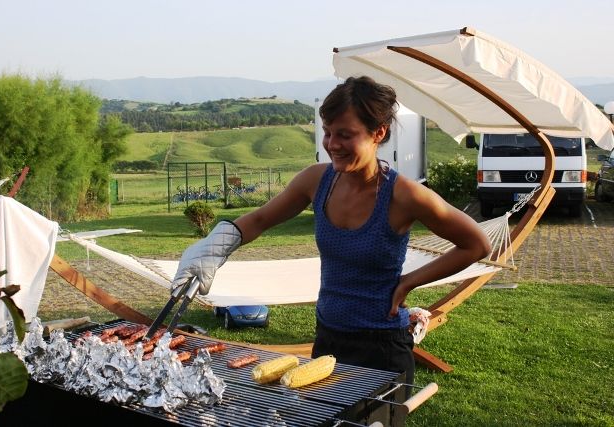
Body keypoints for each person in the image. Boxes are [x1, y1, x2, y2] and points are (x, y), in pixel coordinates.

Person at [172, 76, 491, 393]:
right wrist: (213, 247)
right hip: (328, 338)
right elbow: (260, 218)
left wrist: (409, 281)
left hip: (382, 347)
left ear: (378, 133)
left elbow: (475, 244)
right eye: (327, 133)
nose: (332, 144)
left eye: (345, 135)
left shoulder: (404, 195)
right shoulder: (316, 181)